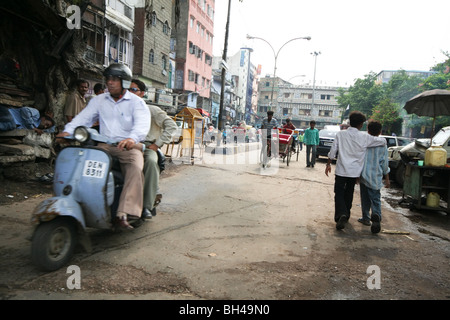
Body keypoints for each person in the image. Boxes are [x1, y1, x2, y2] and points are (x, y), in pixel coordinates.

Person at [56, 63, 151, 230]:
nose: (110, 82)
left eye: (114, 79)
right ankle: (85, 202)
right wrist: (67, 132)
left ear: (125, 83)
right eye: (108, 79)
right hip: (104, 145)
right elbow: (83, 119)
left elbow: (142, 125)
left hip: (127, 147)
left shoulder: (136, 103)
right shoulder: (99, 100)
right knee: (83, 164)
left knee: (135, 167)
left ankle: (123, 214)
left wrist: (132, 138)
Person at [325, 111, 386, 230]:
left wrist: (328, 164)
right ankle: (346, 215)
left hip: (341, 170)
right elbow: (383, 141)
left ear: (350, 122)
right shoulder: (364, 137)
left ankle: (341, 214)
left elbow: (333, 150)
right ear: (361, 124)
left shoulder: (341, 134)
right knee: (349, 193)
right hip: (354, 172)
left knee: (339, 193)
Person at [129, 79, 177, 219]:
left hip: (147, 147)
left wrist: (157, 144)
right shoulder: (123, 110)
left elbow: (172, 126)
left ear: (142, 93)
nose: (129, 93)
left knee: (150, 162)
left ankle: (146, 206)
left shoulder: (152, 110)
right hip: (127, 145)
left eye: (133, 90)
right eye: (127, 89)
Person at [358, 120, 390, 233]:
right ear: (380, 131)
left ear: (368, 130)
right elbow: (385, 163)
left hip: (363, 175)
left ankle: (366, 218)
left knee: (365, 198)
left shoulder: (364, 142)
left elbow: (359, 159)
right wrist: (387, 178)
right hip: (375, 176)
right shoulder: (383, 145)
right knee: (375, 199)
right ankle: (376, 214)